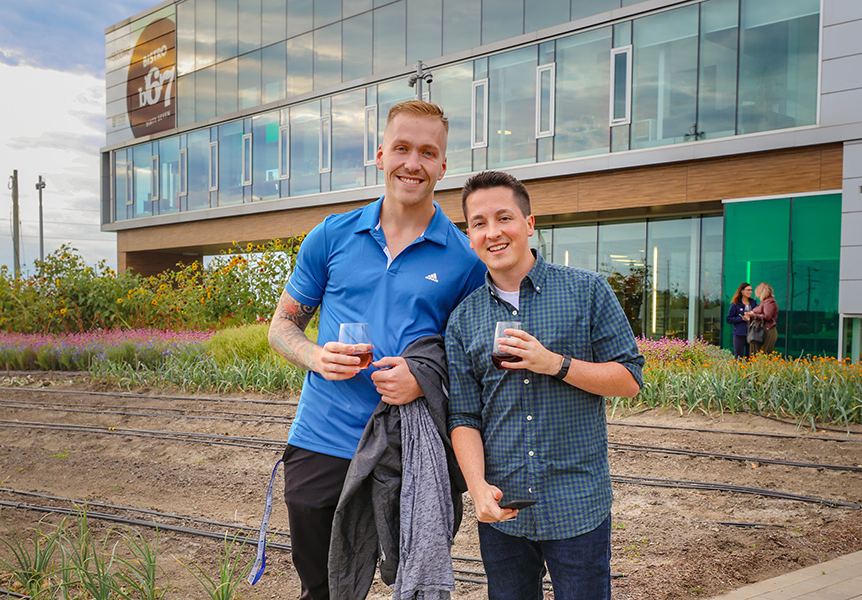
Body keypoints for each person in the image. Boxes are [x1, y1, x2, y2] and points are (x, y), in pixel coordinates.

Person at [267, 100, 486, 600]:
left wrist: (422, 378)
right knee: (322, 588)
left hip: (411, 448)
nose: (414, 163)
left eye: (428, 152)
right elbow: (282, 326)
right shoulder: (332, 235)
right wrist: (315, 356)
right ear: (381, 154)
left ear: (443, 166)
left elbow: (471, 359)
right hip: (323, 439)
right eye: (403, 148)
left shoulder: (463, 258)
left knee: (411, 585)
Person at [445, 170, 644, 600]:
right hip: (504, 506)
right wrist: (477, 487)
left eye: (504, 218)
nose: (493, 232)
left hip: (577, 503)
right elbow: (463, 415)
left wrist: (553, 363)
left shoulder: (587, 290)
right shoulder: (463, 319)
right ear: (469, 235)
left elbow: (629, 380)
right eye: (479, 223)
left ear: (529, 224)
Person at [725, 282, 758, 359]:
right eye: (748, 290)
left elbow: (758, 314)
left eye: (751, 290)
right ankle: (738, 370)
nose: (750, 292)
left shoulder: (753, 303)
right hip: (739, 333)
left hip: (752, 333)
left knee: (750, 356)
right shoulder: (735, 304)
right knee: (738, 356)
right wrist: (741, 318)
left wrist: (752, 316)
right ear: (742, 291)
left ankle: (749, 370)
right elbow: (729, 319)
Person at [747, 282, 779, 354]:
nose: (757, 295)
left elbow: (767, 316)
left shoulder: (769, 302)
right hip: (760, 330)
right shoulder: (764, 302)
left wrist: (753, 315)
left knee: (763, 355)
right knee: (756, 354)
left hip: (766, 331)